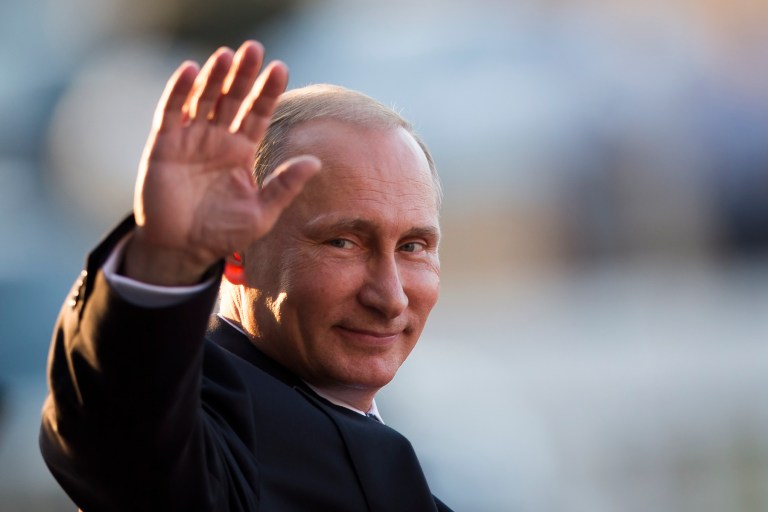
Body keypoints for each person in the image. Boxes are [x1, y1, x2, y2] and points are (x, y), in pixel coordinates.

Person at [39, 40, 452, 511]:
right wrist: (168, 262)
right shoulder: (204, 437)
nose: (391, 297)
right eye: (343, 242)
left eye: (412, 247)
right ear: (235, 252)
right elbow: (122, 428)